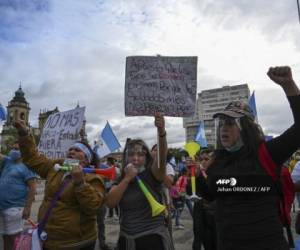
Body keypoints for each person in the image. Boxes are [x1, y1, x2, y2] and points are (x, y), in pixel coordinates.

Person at [195, 66, 300, 250]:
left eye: (230, 123)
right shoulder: (217, 159)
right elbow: (210, 196)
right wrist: (200, 174)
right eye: (222, 124)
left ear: (246, 128)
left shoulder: (266, 153)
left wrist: (289, 86)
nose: (223, 129)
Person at [14, 121, 105, 250]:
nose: (72, 151)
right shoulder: (55, 167)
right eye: (71, 149)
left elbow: (93, 207)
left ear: (86, 159)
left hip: (76, 244)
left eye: (77, 150)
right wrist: (24, 135)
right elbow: (32, 159)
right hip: (48, 240)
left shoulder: (93, 178)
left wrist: (80, 183)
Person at [105, 114, 174, 250]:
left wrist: (161, 132)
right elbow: (110, 202)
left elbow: (161, 157)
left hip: (153, 239)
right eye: (131, 154)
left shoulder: (152, 174)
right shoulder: (120, 179)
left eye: (140, 155)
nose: (135, 158)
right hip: (127, 239)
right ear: (125, 157)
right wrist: (126, 179)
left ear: (147, 157)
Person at [0, 143, 37, 250]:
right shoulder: (8, 161)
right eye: (13, 148)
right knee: (5, 237)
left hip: (15, 208)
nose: (14, 150)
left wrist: (28, 207)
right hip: (2, 207)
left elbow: (33, 188)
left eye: (17, 148)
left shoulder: (27, 166)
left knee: (15, 239)